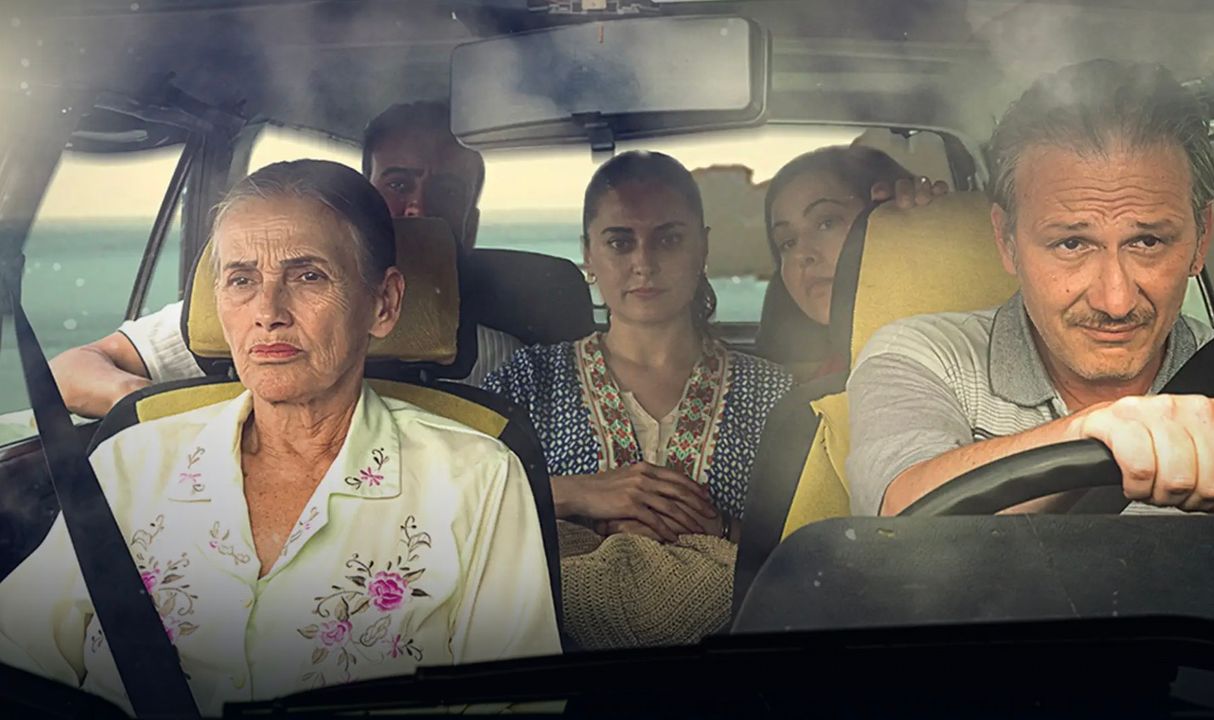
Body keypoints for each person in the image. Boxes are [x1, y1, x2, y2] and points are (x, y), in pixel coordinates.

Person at [0, 160, 560, 714]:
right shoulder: (130, 462)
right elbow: (19, 656)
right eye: (242, 280)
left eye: (308, 276)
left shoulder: (476, 478)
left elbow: (517, 703)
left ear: (384, 304)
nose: (267, 312)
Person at [845, 59, 1214, 518]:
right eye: (1071, 243)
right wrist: (1095, 432)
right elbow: (897, 515)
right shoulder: (926, 358)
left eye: (1148, 241)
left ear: (1202, 237)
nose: (1116, 301)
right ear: (1007, 240)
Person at [482, 151, 793, 647]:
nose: (644, 264)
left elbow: (817, 545)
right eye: (619, 242)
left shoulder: (776, 395)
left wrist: (721, 528)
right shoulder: (528, 380)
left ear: (703, 247)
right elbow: (453, 507)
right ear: (588, 254)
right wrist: (575, 492)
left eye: (668, 239)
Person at [51, 101, 519, 418]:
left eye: (446, 191)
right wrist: (170, 415)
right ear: (364, 198)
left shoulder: (501, 359)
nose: (417, 206)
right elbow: (70, 372)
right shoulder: (224, 321)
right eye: (398, 184)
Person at [761, 144, 949, 380]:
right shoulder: (814, 383)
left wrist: (931, 223)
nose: (802, 254)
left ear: (886, 215)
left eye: (827, 223)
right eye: (787, 243)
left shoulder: (952, 352)